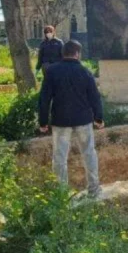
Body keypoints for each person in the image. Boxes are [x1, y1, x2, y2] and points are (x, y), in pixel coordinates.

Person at [38, 40, 104, 199]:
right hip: (83, 120)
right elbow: (95, 97)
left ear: (63, 53)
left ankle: (61, 195)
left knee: (59, 157)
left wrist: (43, 122)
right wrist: (99, 118)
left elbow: (44, 99)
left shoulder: (52, 72)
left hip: (60, 121)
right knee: (89, 153)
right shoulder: (85, 71)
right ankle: (94, 190)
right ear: (77, 53)